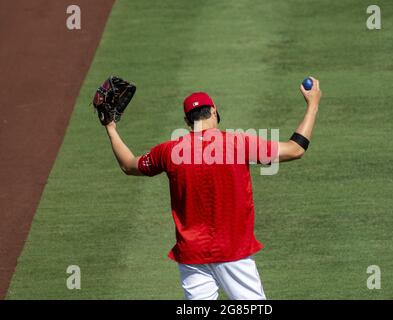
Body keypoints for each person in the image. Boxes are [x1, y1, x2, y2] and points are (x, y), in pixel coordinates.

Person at [104, 77, 322, 299]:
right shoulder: (238, 144)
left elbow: (129, 165)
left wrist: (110, 127)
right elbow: (295, 149)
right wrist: (313, 104)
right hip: (233, 252)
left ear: (187, 121)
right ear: (214, 111)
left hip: (192, 256)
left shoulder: (168, 151)